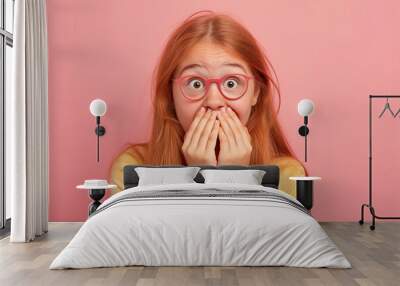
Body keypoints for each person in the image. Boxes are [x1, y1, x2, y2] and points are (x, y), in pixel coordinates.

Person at [110, 10, 307, 197]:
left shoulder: (288, 176)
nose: (214, 101)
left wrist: (235, 177)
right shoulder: (132, 169)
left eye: (231, 83)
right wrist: (199, 176)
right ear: (171, 96)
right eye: (195, 84)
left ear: (256, 92)